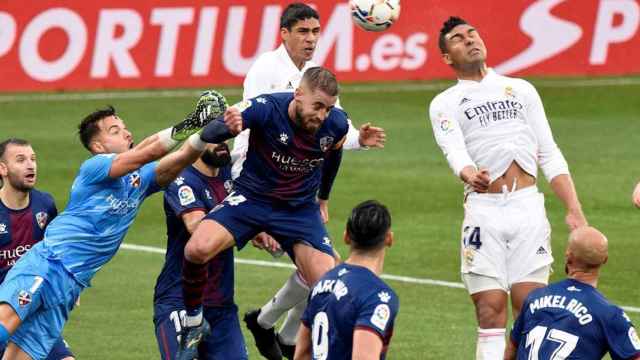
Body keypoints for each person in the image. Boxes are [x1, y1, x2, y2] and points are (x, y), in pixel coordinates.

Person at [0, 90, 227, 360]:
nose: (127, 134)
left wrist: (203, 136)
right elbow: (146, 152)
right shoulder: (94, 168)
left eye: (126, 128)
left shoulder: (140, 180)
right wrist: (192, 122)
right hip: (48, 266)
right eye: (115, 131)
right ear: (98, 146)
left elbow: (175, 162)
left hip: (71, 286)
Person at [428, 16, 588, 359]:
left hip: (527, 206)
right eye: (458, 38)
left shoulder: (521, 89)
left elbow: (549, 152)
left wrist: (574, 209)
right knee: (489, 309)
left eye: (473, 33)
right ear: (446, 57)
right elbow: (453, 149)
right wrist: (469, 174)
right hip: (484, 211)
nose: (470, 40)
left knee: (531, 308)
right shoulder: (445, 102)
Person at [237, 4, 386, 359]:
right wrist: (254, 211)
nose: (311, 39)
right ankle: (267, 326)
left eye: (316, 31)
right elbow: (245, 132)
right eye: (303, 31)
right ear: (284, 33)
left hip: (298, 188)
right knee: (325, 268)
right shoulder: (266, 70)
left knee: (324, 270)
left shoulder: (318, 76)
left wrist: (358, 139)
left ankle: (279, 331)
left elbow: (333, 133)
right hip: (260, 187)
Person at [177, 66, 348, 360]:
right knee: (196, 249)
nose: (322, 115)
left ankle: (302, 348)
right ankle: (194, 323)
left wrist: (323, 198)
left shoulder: (336, 124)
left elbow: (333, 154)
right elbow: (215, 130)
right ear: (298, 95)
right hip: (251, 199)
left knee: (329, 286)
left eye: (328, 108)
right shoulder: (266, 107)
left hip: (298, 210)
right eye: (317, 106)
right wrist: (226, 126)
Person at [153, 142, 250, 360]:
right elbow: (197, 228)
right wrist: (247, 223)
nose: (222, 143)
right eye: (214, 137)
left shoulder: (230, 174)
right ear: (197, 141)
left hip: (221, 305)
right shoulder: (181, 179)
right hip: (180, 301)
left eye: (226, 135)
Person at [505, 226, 640, 360]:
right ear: (605, 259)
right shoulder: (610, 314)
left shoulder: (534, 297)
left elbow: (511, 349)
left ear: (568, 255)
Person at [294, 200, 399, 360]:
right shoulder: (377, 296)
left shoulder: (321, 284)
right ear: (389, 239)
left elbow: (302, 354)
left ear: (346, 237)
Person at [0, 139, 74, 360]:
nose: (30, 165)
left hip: (33, 311)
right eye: (20, 160)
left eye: (33, 159)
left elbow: (55, 251)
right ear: (2, 169)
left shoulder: (45, 204)